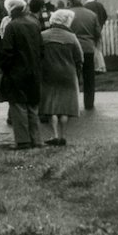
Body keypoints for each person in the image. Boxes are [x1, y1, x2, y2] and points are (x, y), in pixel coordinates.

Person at [0, 0, 43, 150]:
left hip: (17, 72)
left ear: (10, 9)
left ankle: (23, 141)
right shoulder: (35, 23)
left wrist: (6, 69)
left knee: (19, 107)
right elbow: (41, 49)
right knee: (32, 107)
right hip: (34, 71)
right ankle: (36, 140)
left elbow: (7, 52)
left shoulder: (12, 25)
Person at [39, 10, 83, 146]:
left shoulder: (43, 36)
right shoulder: (71, 37)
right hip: (68, 74)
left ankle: (55, 135)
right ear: (66, 21)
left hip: (48, 73)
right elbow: (79, 58)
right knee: (65, 106)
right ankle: (63, 136)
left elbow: (38, 55)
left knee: (51, 105)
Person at [67, 0, 101, 110]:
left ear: (70, 1)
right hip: (88, 48)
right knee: (89, 77)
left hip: (71, 49)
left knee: (72, 77)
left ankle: (71, 104)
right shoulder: (91, 14)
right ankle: (89, 103)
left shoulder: (67, 14)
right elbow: (97, 33)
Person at [82, 0, 108, 73]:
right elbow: (105, 16)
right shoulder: (100, 4)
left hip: (90, 30)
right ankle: (102, 67)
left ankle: (98, 67)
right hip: (99, 28)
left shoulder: (86, 6)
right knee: (98, 48)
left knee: (93, 49)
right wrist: (101, 24)